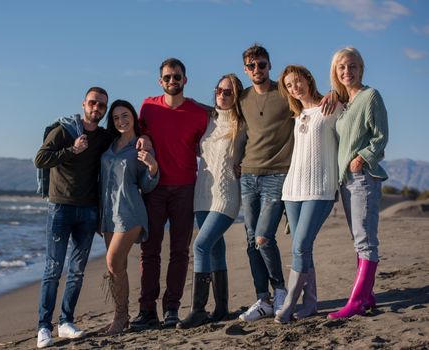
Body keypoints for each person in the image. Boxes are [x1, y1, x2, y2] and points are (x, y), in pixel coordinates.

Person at [238, 44, 336, 322]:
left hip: (279, 176)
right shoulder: (243, 97)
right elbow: (227, 122)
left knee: (264, 237)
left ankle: (282, 293)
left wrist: (331, 93)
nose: (257, 69)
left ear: (269, 65)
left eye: (262, 64)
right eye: (252, 66)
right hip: (252, 176)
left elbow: (321, 100)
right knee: (251, 241)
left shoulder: (284, 94)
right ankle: (264, 299)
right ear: (246, 70)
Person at [130, 58, 208, 329]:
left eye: (177, 77)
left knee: (179, 251)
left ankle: (172, 308)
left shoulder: (199, 113)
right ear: (159, 81)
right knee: (149, 251)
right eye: (167, 78)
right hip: (154, 188)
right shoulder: (148, 106)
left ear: (185, 80)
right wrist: (145, 137)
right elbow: (137, 132)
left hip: (186, 188)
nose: (172, 81)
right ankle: (147, 310)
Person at [34, 87, 113, 348]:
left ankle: (65, 322)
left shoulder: (103, 137)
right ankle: (44, 328)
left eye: (102, 105)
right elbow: (40, 159)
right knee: (53, 269)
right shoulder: (65, 131)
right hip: (61, 208)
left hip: (88, 211)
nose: (96, 108)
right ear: (83, 104)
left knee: (77, 271)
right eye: (93, 103)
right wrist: (71, 150)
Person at [274, 65, 343, 323]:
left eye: (297, 81)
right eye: (289, 86)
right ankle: (311, 302)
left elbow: (347, 96)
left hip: (321, 188)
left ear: (308, 79)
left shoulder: (331, 107)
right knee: (301, 247)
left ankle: (289, 303)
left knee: (301, 245)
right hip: (293, 189)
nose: (295, 88)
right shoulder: (298, 114)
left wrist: (335, 93)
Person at [177, 74, 246, 329]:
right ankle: (221, 309)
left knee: (200, 246)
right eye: (218, 90)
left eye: (228, 92)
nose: (222, 95)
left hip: (227, 196)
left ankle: (197, 309)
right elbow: (191, 105)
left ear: (237, 96)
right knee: (216, 250)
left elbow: (258, 148)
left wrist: (246, 166)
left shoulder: (242, 124)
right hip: (202, 196)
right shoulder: (208, 121)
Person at [327, 47, 388, 320]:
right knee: (358, 240)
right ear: (336, 72)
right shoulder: (344, 103)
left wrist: (362, 157)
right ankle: (369, 296)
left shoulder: (370, 96)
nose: (347, 71)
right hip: (346, 180)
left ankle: (356, 301)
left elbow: (381, 136)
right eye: (342, 67)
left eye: (352, 66)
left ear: (360, 69)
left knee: (365, 241)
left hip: (363, 177)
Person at [99, 100, 159, 335]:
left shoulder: (141, 146)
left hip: (129, 211)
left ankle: (122, 316)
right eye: (116, 118)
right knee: (118, 266)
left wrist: (153, 167)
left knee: (112, 262)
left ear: (133, 117)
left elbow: (147, 184)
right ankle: (119, 317)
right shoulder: (110, 144)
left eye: (125, 116)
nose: (121, 121)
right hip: (108, 213)